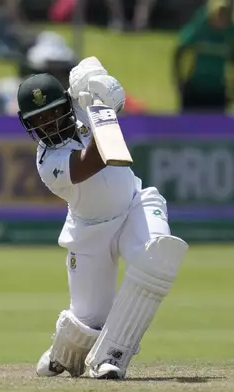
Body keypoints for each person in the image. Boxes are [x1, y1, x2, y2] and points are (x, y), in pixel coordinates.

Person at [16, 58, 188, 379]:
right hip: (89, 233)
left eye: (54, 112)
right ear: (28, 125)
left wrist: (102, 88)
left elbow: (96, 75)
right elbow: (94, 159)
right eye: (40, 120)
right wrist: (105, 113)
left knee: (158, 255)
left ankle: (111, 355)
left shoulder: (80, 107)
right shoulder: (47, 161)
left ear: (66, 104)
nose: (50, 124)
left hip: (135, 205)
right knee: (90, 321)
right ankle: (66, 351)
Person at [173, 0, 234, 113]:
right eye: (218, 14)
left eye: (224, 15)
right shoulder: (200, 29)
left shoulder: (230, 34)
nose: (221, 18)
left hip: (217, 92)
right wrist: (179, 81)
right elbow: (180, 50)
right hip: (195, 90)